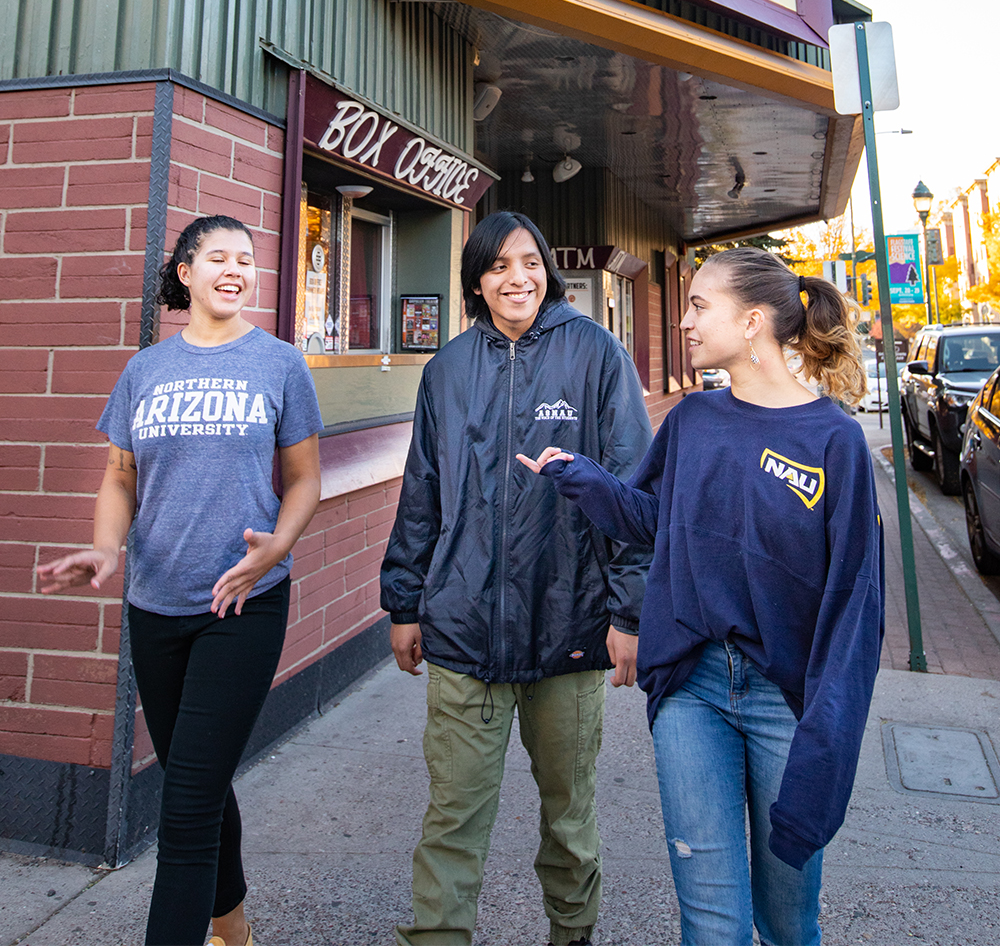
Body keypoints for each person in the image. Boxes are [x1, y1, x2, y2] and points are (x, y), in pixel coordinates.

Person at [518, 246, 884, 946]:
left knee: (785, 923)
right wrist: (584, 477)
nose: (684, 321)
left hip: (789, 700)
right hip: (693, 689)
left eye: (697, 305)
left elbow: (855, 605)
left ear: (751, 322)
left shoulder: (834, 441)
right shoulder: (692, 420)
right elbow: (655, 519)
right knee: (712, 925)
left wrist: (828, 736)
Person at [37, 214, 323, 946]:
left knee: (186, 803)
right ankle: (232, 924)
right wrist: (107, 549)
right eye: (218, 256)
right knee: (199, 780)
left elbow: (303, 480)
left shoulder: (279, 363)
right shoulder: (147, 371)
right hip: (155, 604)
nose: (236, 268)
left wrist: (276, 549)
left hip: (243, 603)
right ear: (186, 273)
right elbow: (119, 476)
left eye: (246, 259)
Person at [381, 211, 653, 946]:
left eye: (529, 262)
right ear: (476, 280)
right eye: (499, 266)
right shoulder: (446, 371)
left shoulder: (597, 355)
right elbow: (421, 493)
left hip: (568, 624)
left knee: (569, 816)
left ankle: (573, 935)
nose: (517, 278)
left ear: (548, 272)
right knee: (452, 819)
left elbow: (634, 495)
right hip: (463, 626)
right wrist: (404, 602)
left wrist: (627, 614)